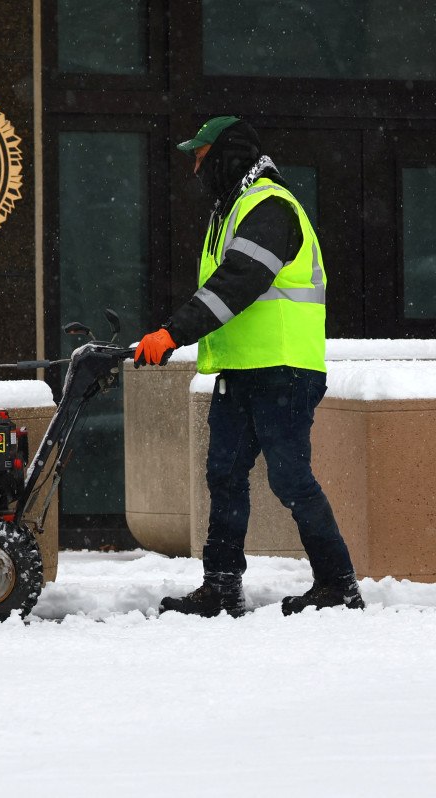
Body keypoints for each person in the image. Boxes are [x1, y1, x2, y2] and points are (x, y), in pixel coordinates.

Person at [134, 116, 364, 617]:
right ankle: (221, 586)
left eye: (201, 155)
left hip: (285, 369)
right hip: (243, 372)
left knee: (289, 478)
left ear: (228, 154)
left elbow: (239, 281)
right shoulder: (232, 209)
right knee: (225, 474)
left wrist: (172, 333)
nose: (195, 166)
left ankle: (338, 585)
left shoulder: (269, 206)